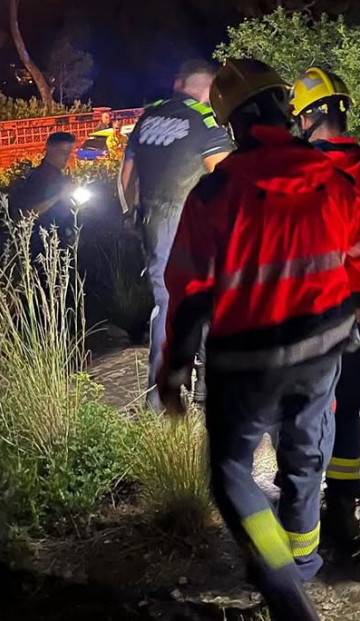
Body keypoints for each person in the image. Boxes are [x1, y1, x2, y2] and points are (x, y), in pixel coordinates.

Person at [157, 58, 360, 621]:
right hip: (323, 349)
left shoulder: (217, 189)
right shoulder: (331, 176)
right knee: (305, 461)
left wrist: (174, 367)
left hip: (246, 358)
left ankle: (285, 590)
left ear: (231, 124)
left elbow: (188, 288)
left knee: (231, 474)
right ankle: (302, 567)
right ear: (283, 107)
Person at [290, 66, 360, 550]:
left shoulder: (298, 171)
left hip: (312, 315)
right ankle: (343, 510)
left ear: (308, 116)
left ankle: (302, 523)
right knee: (348, 411)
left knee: (307, 413)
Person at [120, 59, 234, 411]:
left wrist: (132, 218)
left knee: (167, 304)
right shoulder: (205, 120)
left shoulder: (148, 117)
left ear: (179, 82)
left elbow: (125, 181)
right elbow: (229, 179)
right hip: (191, 223)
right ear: (209, 87)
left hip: (154, 221)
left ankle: (170, 395)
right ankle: (173, 398)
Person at [10, 131, 78, 243]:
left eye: (69, 153)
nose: (66, 157)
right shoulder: (35, 179)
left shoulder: (61, 178)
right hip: (41, 245)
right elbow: (25, 215)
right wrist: (59, 196)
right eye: (62, 152)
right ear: (50, 149)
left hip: (60, 243)